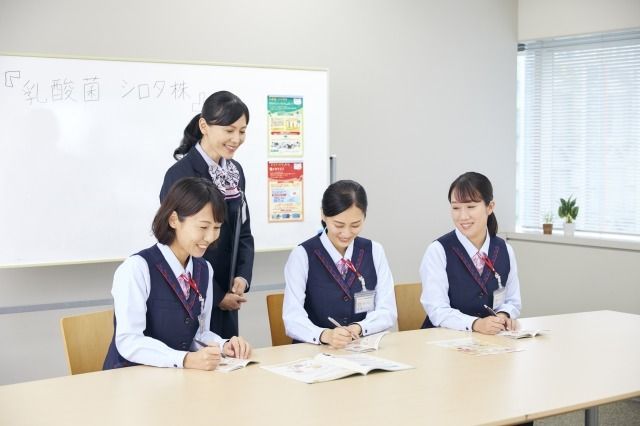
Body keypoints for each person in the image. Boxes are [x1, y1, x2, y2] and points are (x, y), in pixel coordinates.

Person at [104, 177, 251, 370]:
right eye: (203, 227)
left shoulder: (204, 269)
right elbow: (129, 340)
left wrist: (223, 345)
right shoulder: (136, 268)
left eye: (217, 228)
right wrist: (185, 359)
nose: (210, 237)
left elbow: (198, 333)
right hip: (131, 376)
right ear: (173, 220)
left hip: (176, 378)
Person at [160, 91, 254, 339]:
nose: (236, 139)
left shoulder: (236, 172)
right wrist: (217, 293)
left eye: (242, 131)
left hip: (230, 295)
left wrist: (242, 277)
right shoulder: (180, 174)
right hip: (194, 293)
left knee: (228, 356)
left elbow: (243, 231)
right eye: (229, 130)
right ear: (204, 126)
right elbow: (175, 244)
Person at [283, 180, 397, 348]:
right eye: (339, 225)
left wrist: (360, 327)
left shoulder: (374, 250)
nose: (346, 233)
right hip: (315, 351)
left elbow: (387, 311)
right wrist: (324, 335)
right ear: (323, 215)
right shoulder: (302, 255)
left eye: (355, 225)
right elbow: (292, 318)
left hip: (362, 348)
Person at [420, 171, 522, 334]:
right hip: (442, 340)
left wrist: (503, 316)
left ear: (490, 207)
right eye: (456, 208)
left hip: (490, 340)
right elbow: (437, 309)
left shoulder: (505, 250)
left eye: (471, 207)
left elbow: (512, 301)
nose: (463, 216)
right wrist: (476, 324)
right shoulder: (438, 251)